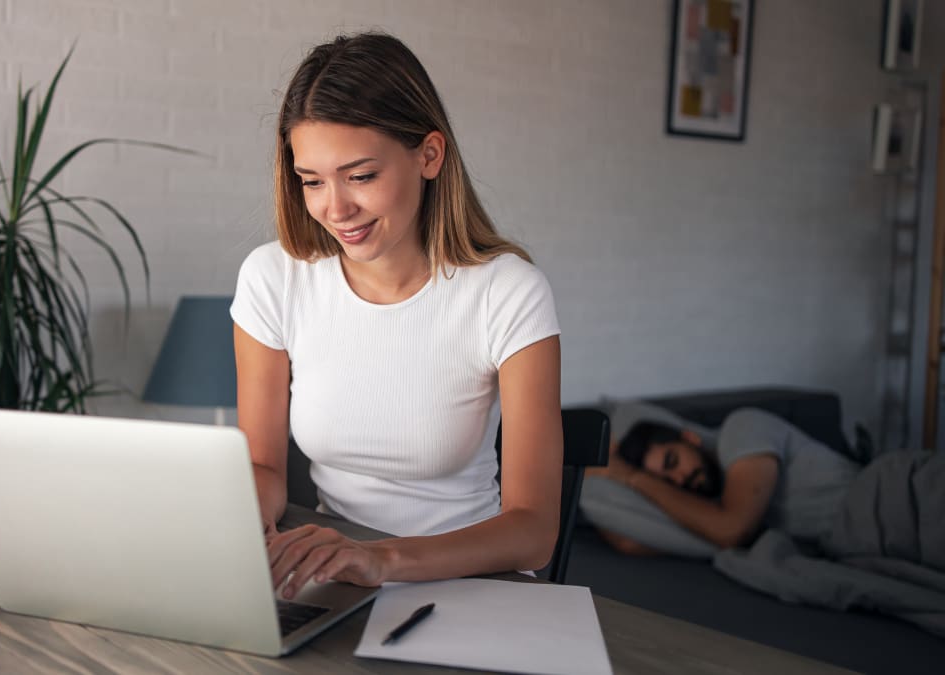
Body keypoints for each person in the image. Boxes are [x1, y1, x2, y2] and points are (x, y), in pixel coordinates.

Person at [230, 33, 563, 600]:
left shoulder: (508, 292)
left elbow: (533, 531)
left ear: (429, 155)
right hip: (338, 579)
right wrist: (232, 524)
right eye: (312, 181)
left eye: (360, 176)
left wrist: (379, 559)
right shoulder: (274, 278)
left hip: (474, 583)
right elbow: (262, 469)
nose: (335, 209)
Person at [588, 407, 861, 554]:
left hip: (880, 494)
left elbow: (731, 530)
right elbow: (630, 543)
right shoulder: (711, 503)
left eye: (672, 461)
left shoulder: (741, 428)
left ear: (689, 437)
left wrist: (631, 477)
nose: (680, 479)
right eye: (667, 481)